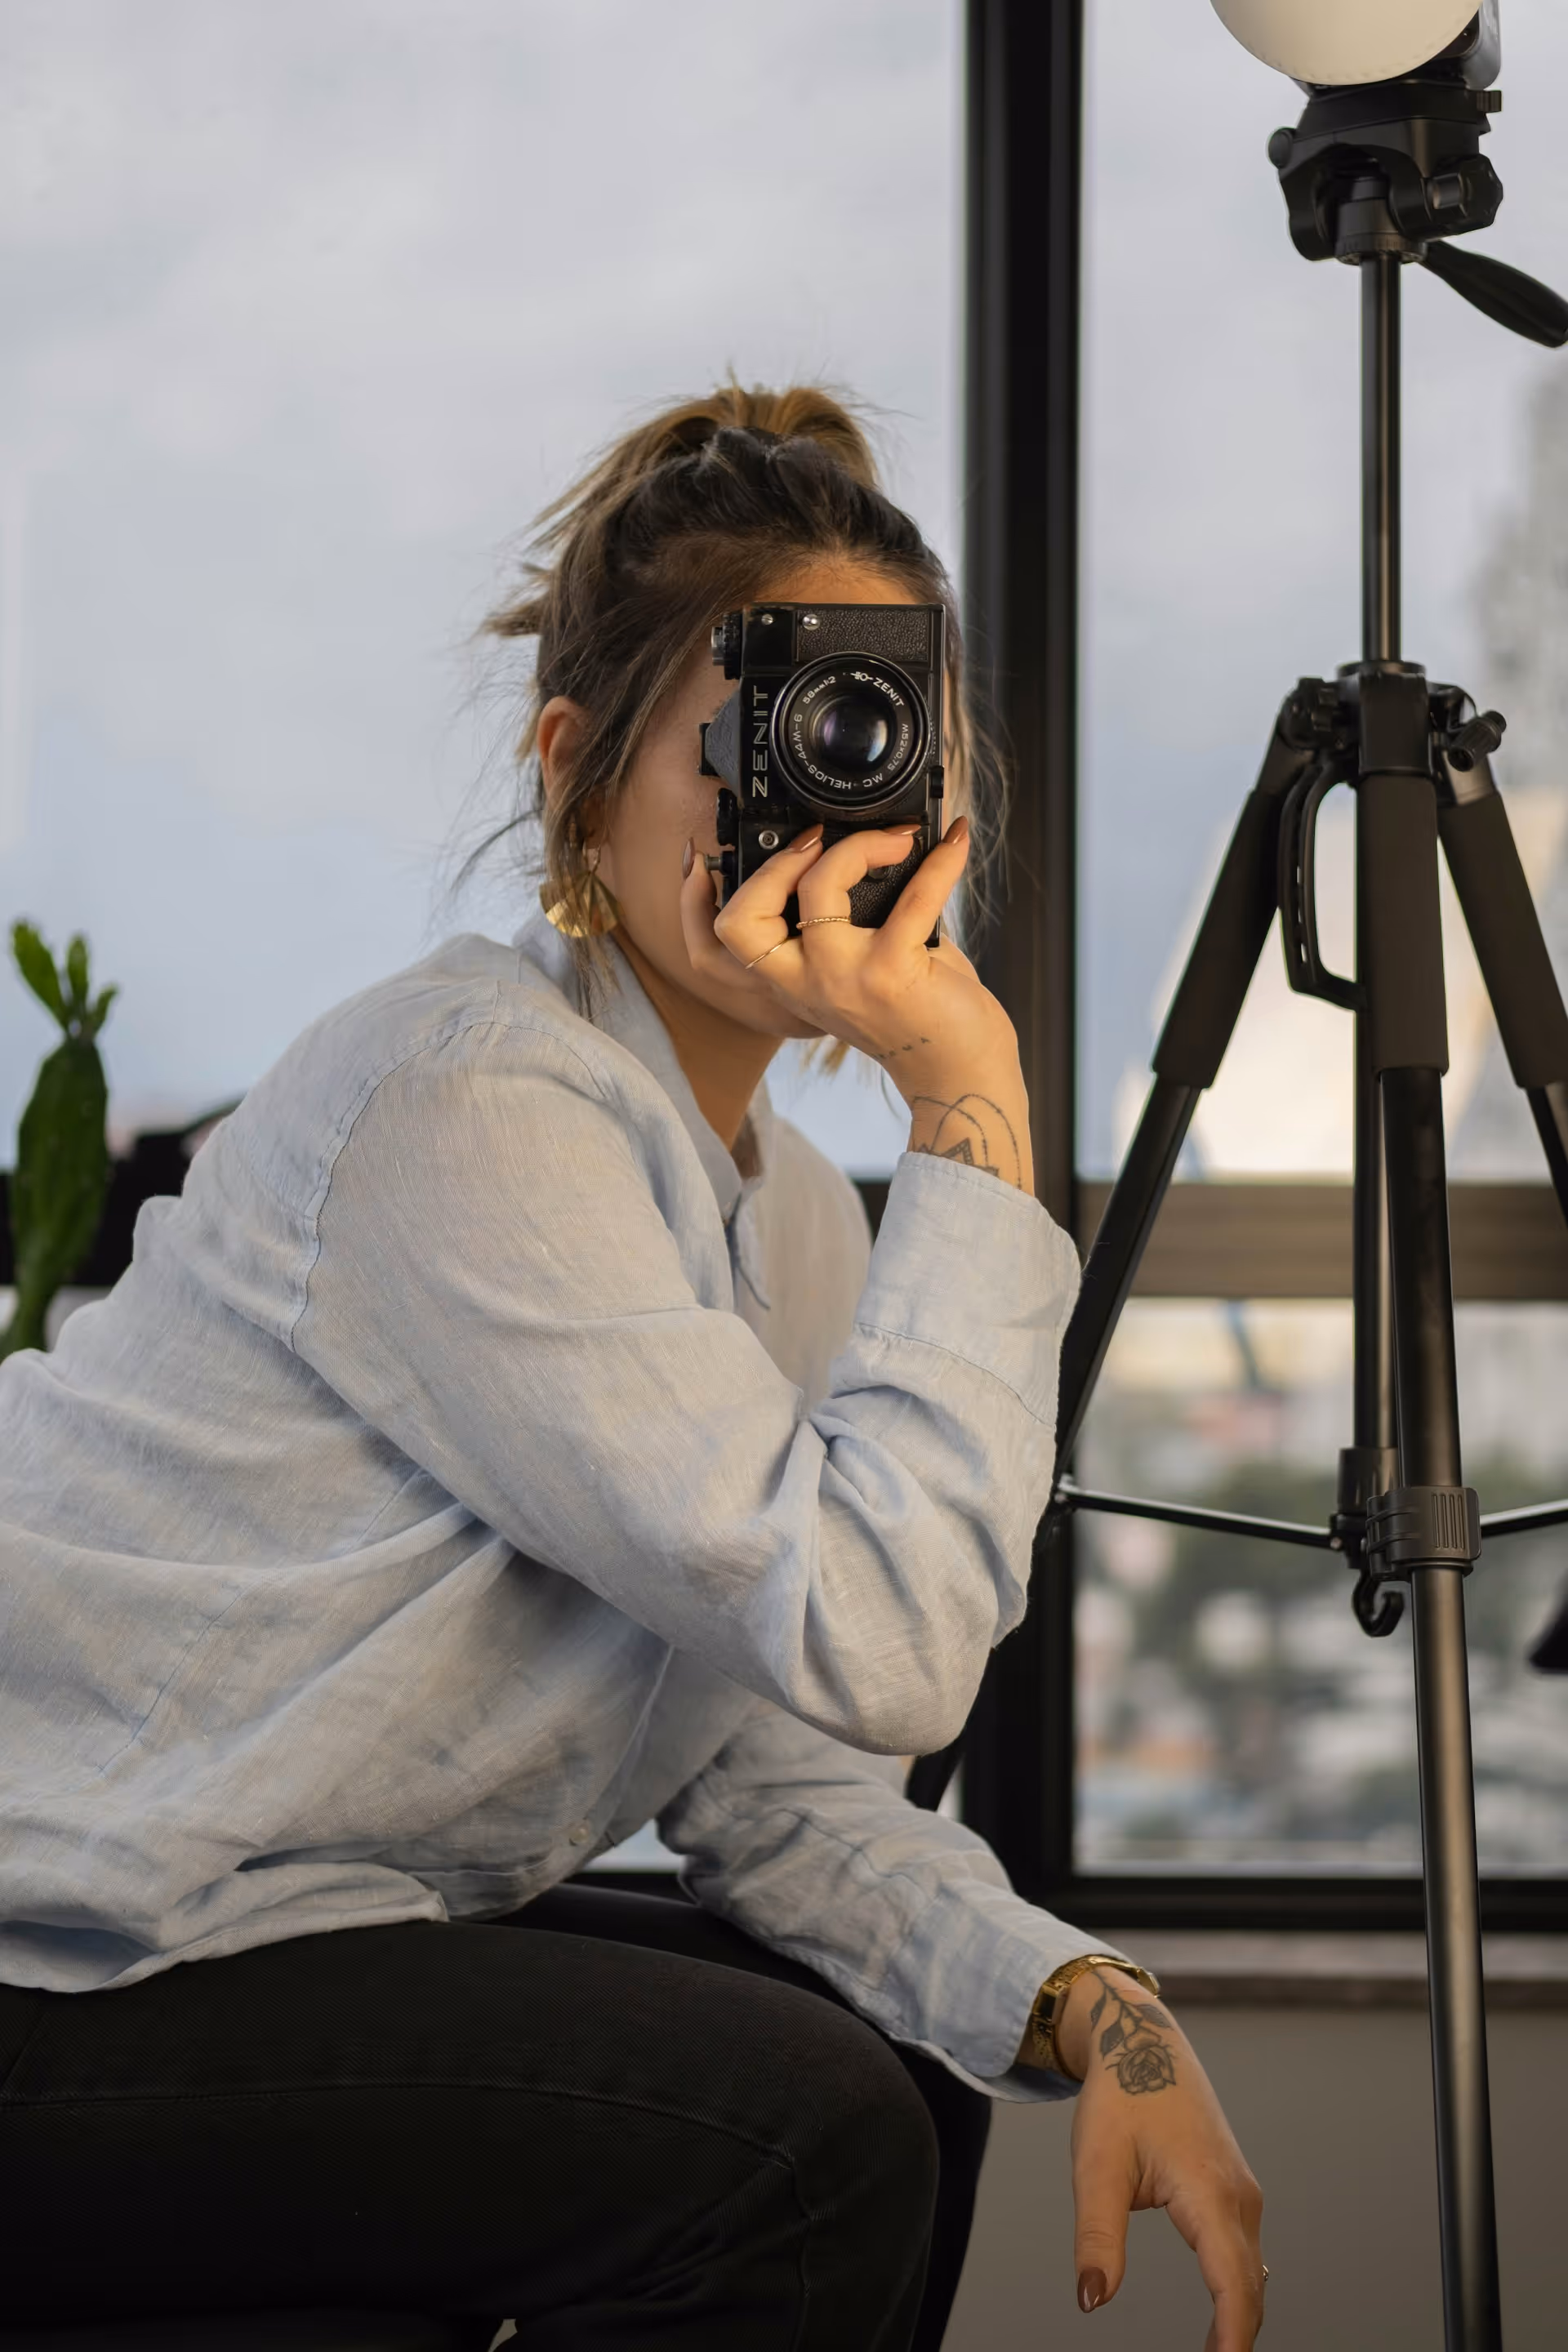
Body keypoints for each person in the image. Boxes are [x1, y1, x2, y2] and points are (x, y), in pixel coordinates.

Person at [0, 383, 1264, 2351]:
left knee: (906, 2052)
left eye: (873, 736)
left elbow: (770, 1771)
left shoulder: (810, 1235)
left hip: (238, 1918)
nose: (824, 800)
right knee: (808, 2137)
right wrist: (975, 1089)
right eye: (760, 736)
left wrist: (1088, 1998)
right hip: (53, 1951)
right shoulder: (471, 1102)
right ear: (577, 770)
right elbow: (889, 1641)